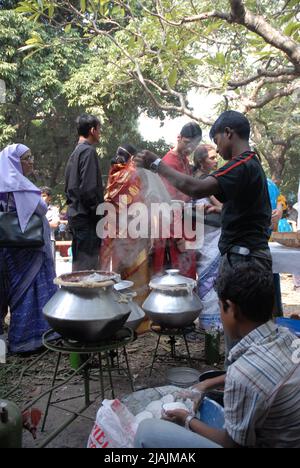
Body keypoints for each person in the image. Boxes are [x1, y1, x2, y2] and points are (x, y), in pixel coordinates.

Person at [135, 263, 300, 448]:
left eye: (221, 307)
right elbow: (264, 374)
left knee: (147, 431)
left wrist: (187, 418)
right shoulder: (287, 336)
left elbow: (232, 444)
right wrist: (206, 384)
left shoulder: (243, 374)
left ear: (230, 308)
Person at [0, 144, 57, 353]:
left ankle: (22, 339)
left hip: (11, 249)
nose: (31, 161)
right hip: (29, 250)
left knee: (19, 292)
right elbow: (41, 208)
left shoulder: (3, 184)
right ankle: (32, 339)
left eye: (31, 156)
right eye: (26, 158)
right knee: (30, 291)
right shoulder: (18, 184)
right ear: (15, 162)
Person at [100, 144, 151, 308]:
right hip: (131, 230)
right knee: (135, 269)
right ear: (132, 157)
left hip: (111, 229)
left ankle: (114, 311)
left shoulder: (113, 172)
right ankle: (137, 314)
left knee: (114, 270)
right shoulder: (133, 174)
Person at [152, 122, 202, 279]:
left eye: (193, 146)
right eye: (187, 143)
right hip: (173, 231)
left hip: (186, 225)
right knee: (175, 279)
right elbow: (168, 202)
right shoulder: (168, 163)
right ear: (179, 138)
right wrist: (178, 236)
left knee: (187, 277)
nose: (189, 149)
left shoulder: (185, 160)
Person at [65, 114, 104, 271]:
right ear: (93, 130)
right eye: (99, 129)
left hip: (76, 217)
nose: (100, 133)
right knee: (87, 272)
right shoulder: (88, 152)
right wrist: (98, 213)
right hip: (87, 220)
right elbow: (88, 189)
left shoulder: (75, 153)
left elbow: (69, 187)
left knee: (79, 268)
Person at [192, 145, 222, 331]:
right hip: (206, 234)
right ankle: (210, 322)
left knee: (209, 278)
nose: (216, 160)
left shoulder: (204, 180)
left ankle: (209, 321)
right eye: (211, 158)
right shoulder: (205, 182)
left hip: (207, 234)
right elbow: (222, 206)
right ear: (201, 161)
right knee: (208, 278)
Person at [41, 187, 60, 260]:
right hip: (36, 240)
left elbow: (55, 224)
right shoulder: (34, 209)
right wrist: (48, 223)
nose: (41, 198)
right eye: (39, 195)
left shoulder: (54, 209)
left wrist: (39, 223)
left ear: (49, 197)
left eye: (44, 195)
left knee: (50, 263)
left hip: (49, 240)